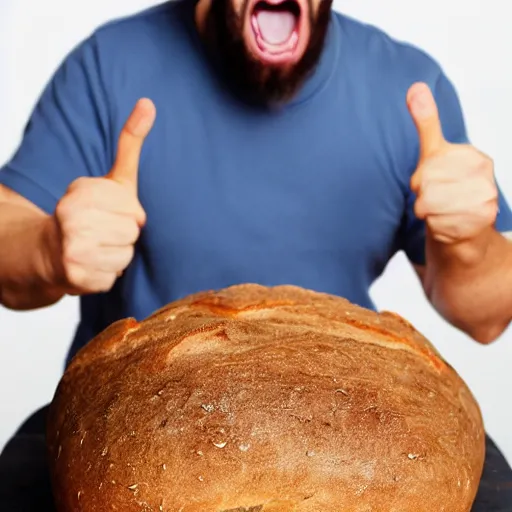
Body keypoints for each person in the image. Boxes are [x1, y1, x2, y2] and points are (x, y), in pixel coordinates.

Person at [0, 0, 511, 509]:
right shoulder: (108, 67)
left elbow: (487, 315)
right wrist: (48, 249)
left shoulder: (407, 87)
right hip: (129, 440)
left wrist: (469, 243)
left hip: (366, 438)